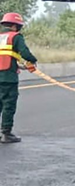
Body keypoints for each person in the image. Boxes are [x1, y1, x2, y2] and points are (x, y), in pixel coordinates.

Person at [0, 13, 37, 144]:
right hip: (8, 77)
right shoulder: (15, 37)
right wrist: (33, 61)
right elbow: (25, 52)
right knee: (8, 105)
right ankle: (6, 133)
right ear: (15, 26)